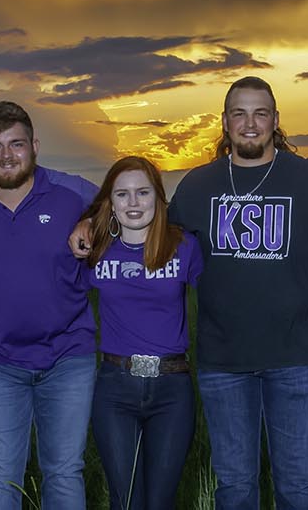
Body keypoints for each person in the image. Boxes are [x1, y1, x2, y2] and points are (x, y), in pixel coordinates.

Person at [142, 76, 308, 510]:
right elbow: (155, 241)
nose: (250, 123)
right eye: (239, 113)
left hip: (296, 358)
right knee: (234, 488)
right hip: (223, 362)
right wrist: (92, 223)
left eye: (260, 113)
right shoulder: (197, 187)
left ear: (276, 120)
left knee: (298, 485)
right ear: (224, 122)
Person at [0, 101, 99, 509]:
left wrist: (92, 221)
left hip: (68, 358)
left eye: (16, 144)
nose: (6, 155)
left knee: (65, 472)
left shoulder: (74, 192)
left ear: (35, 146)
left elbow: (122, 209)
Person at [79, 156, 203, 510]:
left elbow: (219, 300)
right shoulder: (95, 251)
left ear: (158, 198)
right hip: (116, 388)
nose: (133, 203)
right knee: (127, 499)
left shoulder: (184, 247)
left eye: (143, 192)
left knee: (161, 501)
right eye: (123, 194)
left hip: (172, 388)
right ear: (111, 202)